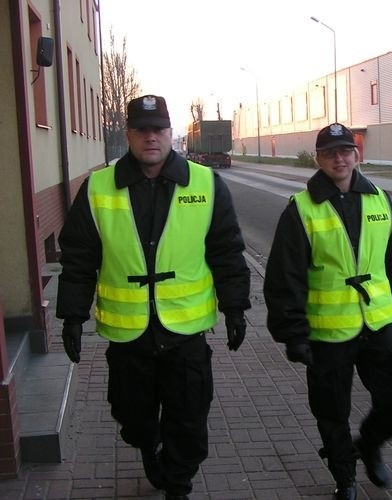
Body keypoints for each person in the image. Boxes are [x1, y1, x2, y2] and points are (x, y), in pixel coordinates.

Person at [56, 95, 251, 500]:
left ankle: (178, 484)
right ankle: (149, 444)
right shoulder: (97, 187)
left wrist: (235, 307)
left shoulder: (206, 184)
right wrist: (72, 316)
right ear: (128, 133)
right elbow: (78, 258)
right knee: (133, 417)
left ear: (170, 132)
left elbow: (227, 251)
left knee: (189, 416)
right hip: (129, 336)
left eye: (158, 129)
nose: (150, 137)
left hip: (185, 331)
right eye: (141, 129)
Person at [263, 123, 392, 500]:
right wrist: (293, 333)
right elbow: (284, 276)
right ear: (318, 159)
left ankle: (368, 443)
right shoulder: (302, 209)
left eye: (346, 150)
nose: (339, 158)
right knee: (332, 412)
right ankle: (345, 478)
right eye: (330, 152)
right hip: (327, 332)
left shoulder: (379, 199)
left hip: (378, 322)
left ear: (357, 154)